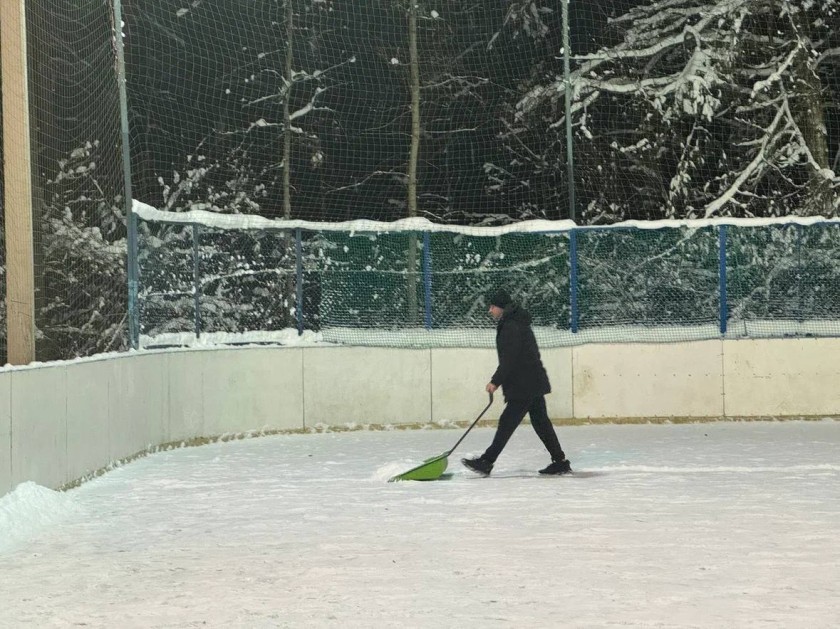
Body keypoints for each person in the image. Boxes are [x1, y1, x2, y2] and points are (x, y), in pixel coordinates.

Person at [462, 288, 572, 476]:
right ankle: (560, 461)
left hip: (524, 383)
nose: (490, 311)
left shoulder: (511, 326)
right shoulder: (516, 322)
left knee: (508, 422)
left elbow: (510, 358)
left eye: (492, 307)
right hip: (531, 380)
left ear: (501, 307)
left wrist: (495, 381)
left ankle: (487, 461)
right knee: (541, 423)